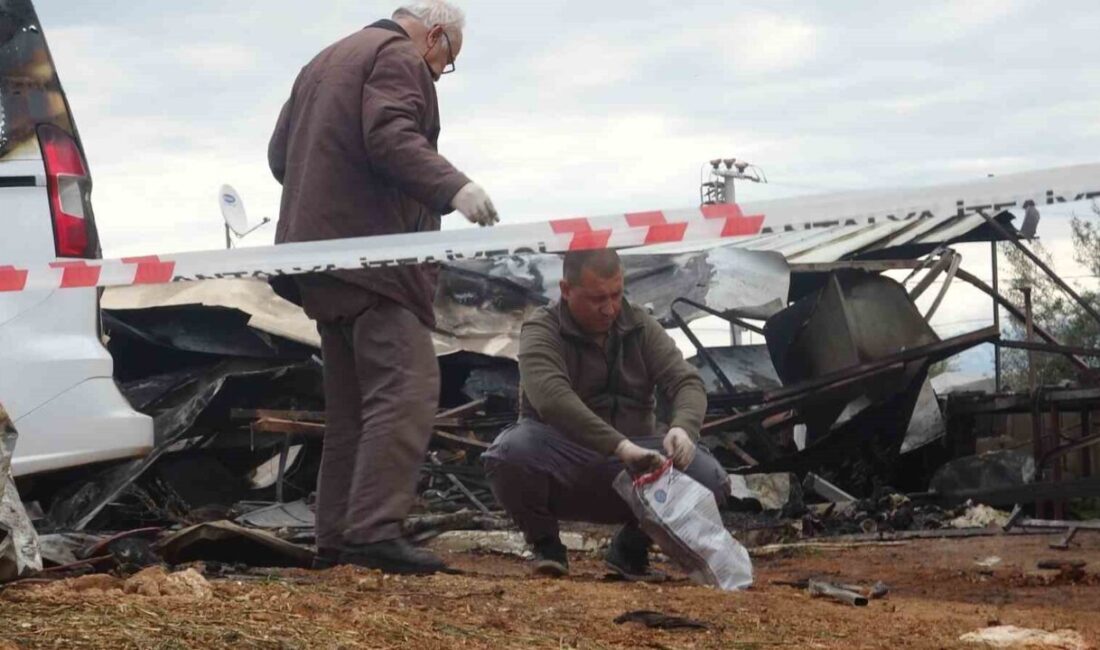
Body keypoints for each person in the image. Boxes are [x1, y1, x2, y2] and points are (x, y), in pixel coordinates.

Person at [267, 1, 497, 575]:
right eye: (446, 63)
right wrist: (455, 188)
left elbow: (280, 158)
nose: (441, 73)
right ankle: (372, 532)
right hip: (375, 261)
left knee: (350, 409)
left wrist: (329, 190)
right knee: (407, 390)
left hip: (317, 261)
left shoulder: (322, 62)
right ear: (436, 36)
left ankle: (337, 539)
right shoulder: (398, 56)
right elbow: (391, 135)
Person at [483, 250, 729, 579]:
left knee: (711, 479)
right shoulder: (541, 329)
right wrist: (621, 447)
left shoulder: (641, 325)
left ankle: (631, 549)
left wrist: (684, 429)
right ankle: (546, 546)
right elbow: (552, 399)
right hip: (566, 461)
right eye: (597, 298)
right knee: (510, 452)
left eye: (616, 294)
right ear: (566, 290)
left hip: (640, 465)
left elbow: (686, 380)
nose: (610, 308)